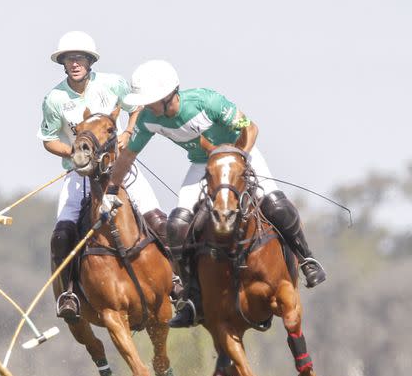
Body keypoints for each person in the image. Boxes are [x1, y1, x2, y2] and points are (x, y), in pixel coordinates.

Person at [100, 59, 327, 328]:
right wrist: (111, 189)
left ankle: (307, 259)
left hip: (241, 153)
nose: (147, 107)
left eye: (151, 100)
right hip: (202, 164)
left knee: (275, 204)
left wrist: (238, 158)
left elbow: (250, 128)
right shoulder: (150, 119)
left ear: (168, 95)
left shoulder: (207, 101)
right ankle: (191, 297)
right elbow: (128, 157)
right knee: (176, 225)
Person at [38, 31, 168, 320]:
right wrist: (73, 152)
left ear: (89, 61)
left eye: (80, 58)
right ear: (63, 63)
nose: (75, 63)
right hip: (80, 174)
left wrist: (127, 132)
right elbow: (48, 139)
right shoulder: (55, 99)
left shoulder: (114, 84)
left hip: (119, 168)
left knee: (158, 221)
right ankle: (69, 293)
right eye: (69, 59)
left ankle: (179, 282)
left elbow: (137, 108)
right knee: (61, 235)